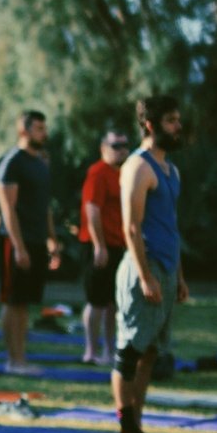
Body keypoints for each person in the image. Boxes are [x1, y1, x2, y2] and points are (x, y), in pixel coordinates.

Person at [112, 96, 188, 433]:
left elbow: (171, 226)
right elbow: (131, 227)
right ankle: (128, 431)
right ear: (149, 125)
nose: (178, 127)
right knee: (130, 351)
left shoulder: (171, 169)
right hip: (143, 269)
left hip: (167, 269)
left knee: (150, 352)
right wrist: (145, 277)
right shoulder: (137, 167)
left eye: (177, 120)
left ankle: (138, 425)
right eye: (171, 121)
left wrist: (179, 276)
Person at [0, 110, 61, 374]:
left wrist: (52, 239)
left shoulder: (40, 163)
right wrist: (19, 247)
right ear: (24, 130)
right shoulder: (12, 163)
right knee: (13, 301)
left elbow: (45, 206)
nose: (44, 134)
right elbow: (7, 209)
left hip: (36, 240)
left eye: (44, 128)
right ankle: (13, 360)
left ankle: (21, 357)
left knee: (24, 303)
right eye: (39, 129)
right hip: (15, 241)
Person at [79, 130, 131, 365]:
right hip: (99, 245)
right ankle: (90, 351)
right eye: (115, 146)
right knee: (96, 300)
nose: (121, 150)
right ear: (103, 148)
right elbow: (92, 209)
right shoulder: (98, 172)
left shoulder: (123, 173)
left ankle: (109, 350)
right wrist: (99, 245)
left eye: (124, 145)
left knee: (113, 302)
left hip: (118, 244)